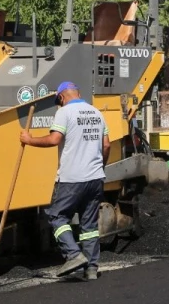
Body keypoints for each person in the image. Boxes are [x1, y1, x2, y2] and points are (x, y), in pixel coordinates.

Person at [20, 81, 109, 280]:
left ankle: (73, 254)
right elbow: (106, 145)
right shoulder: (96, 113)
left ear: (61, 97)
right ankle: (92, 268)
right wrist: (100, 167)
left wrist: (29, 140)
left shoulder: (64, 112)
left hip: (72, 178)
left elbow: (54, 140)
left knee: (57, 216)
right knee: (89, 226)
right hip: (95, 178)